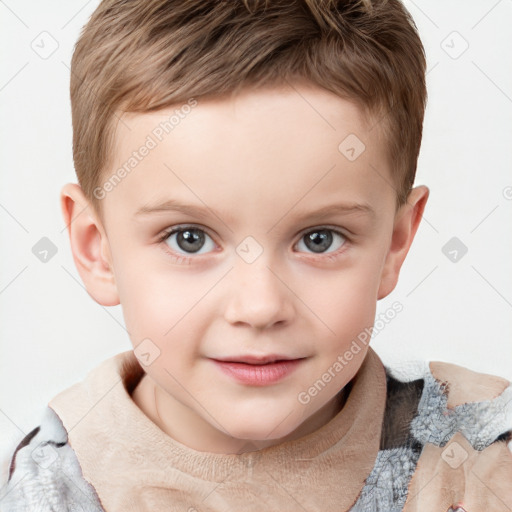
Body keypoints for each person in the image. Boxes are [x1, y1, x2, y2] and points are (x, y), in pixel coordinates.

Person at [1, 0, 511, 510]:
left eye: (319, 239)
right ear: (98, 249)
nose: (260, 307)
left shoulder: (483, 460)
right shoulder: (47, 492)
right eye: (189, 239)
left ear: (395, 244)